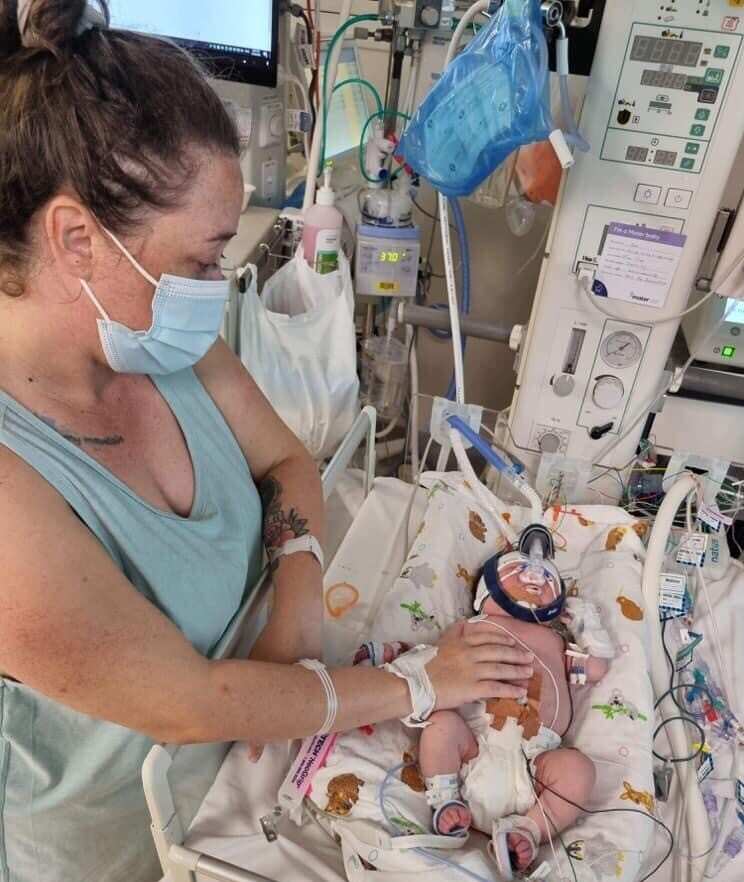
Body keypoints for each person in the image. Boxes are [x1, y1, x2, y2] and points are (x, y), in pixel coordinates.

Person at [0, 2, 536, 880]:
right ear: (75, 240)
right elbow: (185, 704)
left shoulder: (152, 339)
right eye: (203, 260)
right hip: (127, 841)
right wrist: (420, 683)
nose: (218, 285)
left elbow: (287, 460)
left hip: (253, 756)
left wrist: (291, 609)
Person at [417, 551, 613, 877]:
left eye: (549, 579)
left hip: (537, 764)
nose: (535, 577)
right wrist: (393, 656)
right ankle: (445, 798)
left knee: (579, 770)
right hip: (473, 746)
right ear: (486, 590)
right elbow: (432, 660)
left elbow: (594, 668)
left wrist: (585, 622)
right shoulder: (471, 628)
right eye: (518, 568)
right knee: (441, 725)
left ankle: (529, 829)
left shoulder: (553, 641)